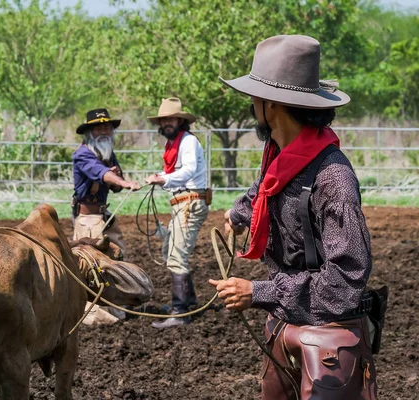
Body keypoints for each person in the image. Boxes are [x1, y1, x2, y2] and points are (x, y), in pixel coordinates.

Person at [211, 35, 378, 398]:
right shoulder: (283, 156)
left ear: (271, 105)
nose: (251, 105)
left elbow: (344, 280)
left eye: (254, 98)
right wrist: (238, 213)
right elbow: (265, 188)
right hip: (287, 323)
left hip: (328, 337)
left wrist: (258, 291)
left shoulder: (333, 178)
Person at [145, 97, 210, 329]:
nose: (167, 123)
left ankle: (180, 311)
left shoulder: (188, 142)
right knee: (169, 250)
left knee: (176, 255)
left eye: (171, 118)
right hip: (182, 203)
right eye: (164, 120)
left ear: (180, 121)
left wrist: (164, 178)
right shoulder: (175, 144)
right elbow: (176, 171)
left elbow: (189, 170)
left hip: (189, 203)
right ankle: (188, 301)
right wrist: (161, 176)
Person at [72, 108, 141, 324]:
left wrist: (119, 180)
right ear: (90, 132)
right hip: (89, 220)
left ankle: (114, 307)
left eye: (106, 126)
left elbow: (114, 184)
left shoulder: (108, 153)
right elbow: (101, 173)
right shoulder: (82, 154)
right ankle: (93, 313)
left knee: (116, 259)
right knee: (92, 267)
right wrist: (123, 181)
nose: (103, 130)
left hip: (104, 215)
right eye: (98, 127)